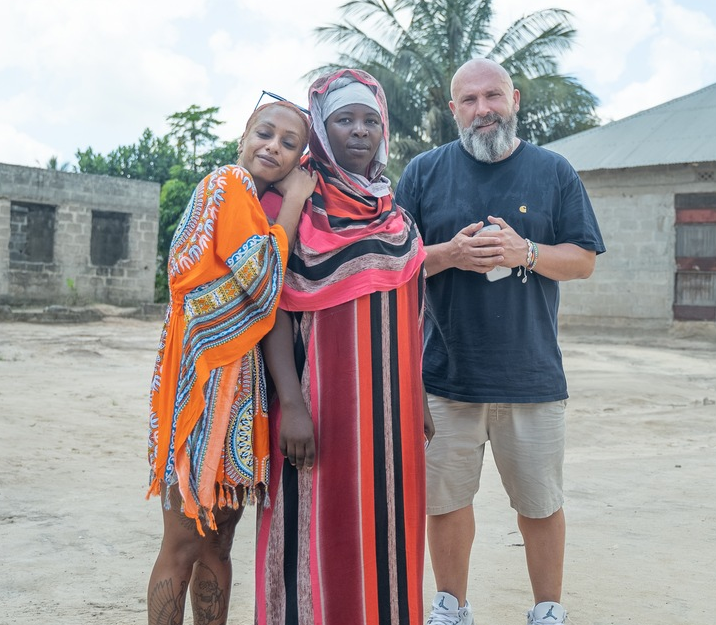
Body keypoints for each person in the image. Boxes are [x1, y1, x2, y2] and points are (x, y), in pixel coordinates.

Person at [394, 58, 606, 625]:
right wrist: (449, 255)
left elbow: (583, 260)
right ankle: (452, 607)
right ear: (453, 110)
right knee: (446, 503)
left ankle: (546, 611)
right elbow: (391, 265)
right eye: (470, 100)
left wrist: (527, 253)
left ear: (514, 99)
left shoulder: (554, 171)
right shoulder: (423, 174)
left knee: (540, 506)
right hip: (445, 378)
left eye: (493, 96)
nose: (483, 109)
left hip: (531, 378)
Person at [255, 68, 433, 625]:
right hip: (318, 407)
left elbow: (411, 307)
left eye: (370, 121)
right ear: (320, 131)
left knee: (388, 534)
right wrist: (294, 405)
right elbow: (270, 306)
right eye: (343, 120)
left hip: (391, 416)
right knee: (312, 532)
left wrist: (418, 395)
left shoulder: (396, 214)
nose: (360, 132)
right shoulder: (293, 203)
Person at [145, 99, 317, 625]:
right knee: (184, 542)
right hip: (203, 387)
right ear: (243, 137)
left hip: (236, 390)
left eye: (289, 144)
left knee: (218, 540)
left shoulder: (243, 199)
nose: (274, 146)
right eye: (265, 133)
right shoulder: (230, 185)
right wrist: (295, 201)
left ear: (299, 157)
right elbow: (263, 285)